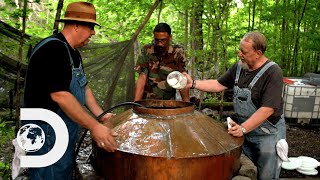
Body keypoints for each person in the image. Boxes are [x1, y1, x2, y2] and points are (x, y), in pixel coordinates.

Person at [23, 2, 117, 179]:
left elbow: (84, 86)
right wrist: (94, 126)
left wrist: (101, 115)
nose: (93, 33)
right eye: (90, 27)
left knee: (62, 173)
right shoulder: (53, 49)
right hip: (44, 132)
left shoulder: (72, 52)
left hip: (61, 130)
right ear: (75, 25)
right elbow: (60, 96)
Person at [183, 31, 286, 180]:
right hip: (244, 130)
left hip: (268, 133)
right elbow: (218, 84)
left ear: (258, 53)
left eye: (244, 52)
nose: (239, 54)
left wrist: (243, 128)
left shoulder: (273, 72)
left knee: (267, 175)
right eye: (239, 50)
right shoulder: (239, 67)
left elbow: (267, 109)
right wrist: (193, 83)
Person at [134, 23, 190, 102]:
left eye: (163, 40)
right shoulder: (147, 50)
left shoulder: (178, 52)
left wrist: (186, 104)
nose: (160, 44)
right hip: (147, 101)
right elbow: (142, 78)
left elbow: (183, 80)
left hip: (168, 102)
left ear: (170, 37)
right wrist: (136, 104)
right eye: (157, 40)